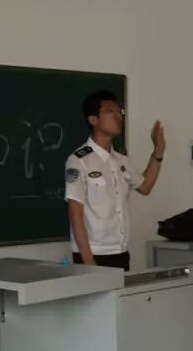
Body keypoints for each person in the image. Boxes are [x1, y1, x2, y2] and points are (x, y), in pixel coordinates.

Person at [64, 90, 165, 271]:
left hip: (120, 251)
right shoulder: (79, 160)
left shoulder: (121, 160)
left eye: (119, 111)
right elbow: (75, 213)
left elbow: (145, 186)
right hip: (93, 254)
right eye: (110, 111)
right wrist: (88, 262)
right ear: (93, 119)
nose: (118, 116)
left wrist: (158, 151)